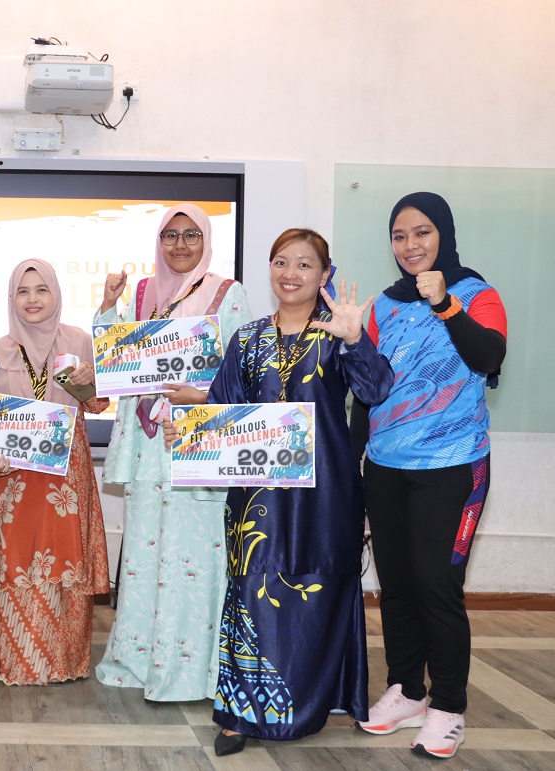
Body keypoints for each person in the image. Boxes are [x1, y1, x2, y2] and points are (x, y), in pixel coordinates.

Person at [179, 228, 392, 755]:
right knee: (252, 586)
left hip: (326, 490)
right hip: (256, 497)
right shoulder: (247, 338)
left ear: (324, 275)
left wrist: (355, 340)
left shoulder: (336, 333)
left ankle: (314, 703)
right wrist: (189, 426)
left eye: (304, 264)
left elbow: (376, 389)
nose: (290, 273)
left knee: (320, 584)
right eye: (280, 262)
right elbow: (225, 408)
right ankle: (240, 715)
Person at [354, 192, 507, 759]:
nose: (410, 245)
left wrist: (445, 305)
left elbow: (489, 357)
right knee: (395, 584)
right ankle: (407, 691)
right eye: (400, 236)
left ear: (443, 233)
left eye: (422, 232)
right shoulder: (382, 306)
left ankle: (448, 706)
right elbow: (366, 393)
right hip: (386, 466)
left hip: (454, 466)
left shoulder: (477, 294)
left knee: (436, 586)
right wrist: (352, 464)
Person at [95, 203, 253, 702]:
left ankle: (192, 671)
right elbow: (115, 359)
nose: (180, 245)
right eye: (170, 235)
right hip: (148, 448)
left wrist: (200, 398)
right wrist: (108, 306)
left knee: (194, 559)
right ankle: (139, 662)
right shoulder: (143, 292)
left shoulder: (228, 293)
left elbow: (244, 372)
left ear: (205, 240)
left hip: (195, 444)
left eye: (190, 235)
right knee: (144, 557)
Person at [0, 259, 111, 685]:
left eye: (41, 290)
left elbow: (96, 404)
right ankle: (12, 660)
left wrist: (84, 382)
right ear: (12, 298)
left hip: (65, 479)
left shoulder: (78, 340)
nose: (32, 300)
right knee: (14, 562)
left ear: (55, 294)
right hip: (13, 481)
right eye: (23, 291)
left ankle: (61, 661)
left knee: (64, 559)